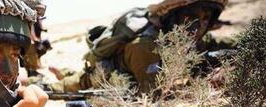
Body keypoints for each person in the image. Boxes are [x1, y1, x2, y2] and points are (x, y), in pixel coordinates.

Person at [47, 0, 235, 94]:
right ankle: (44, 81)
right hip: (109, 73)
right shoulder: (146, 46)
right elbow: (152, 93)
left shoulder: (191, 37)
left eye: (205, 18)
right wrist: (201, 83)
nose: (200, 24)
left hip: (137, 71)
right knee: (73, 84)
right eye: (192, 17)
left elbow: (225, 46)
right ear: (173, 16)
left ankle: (64, 71)